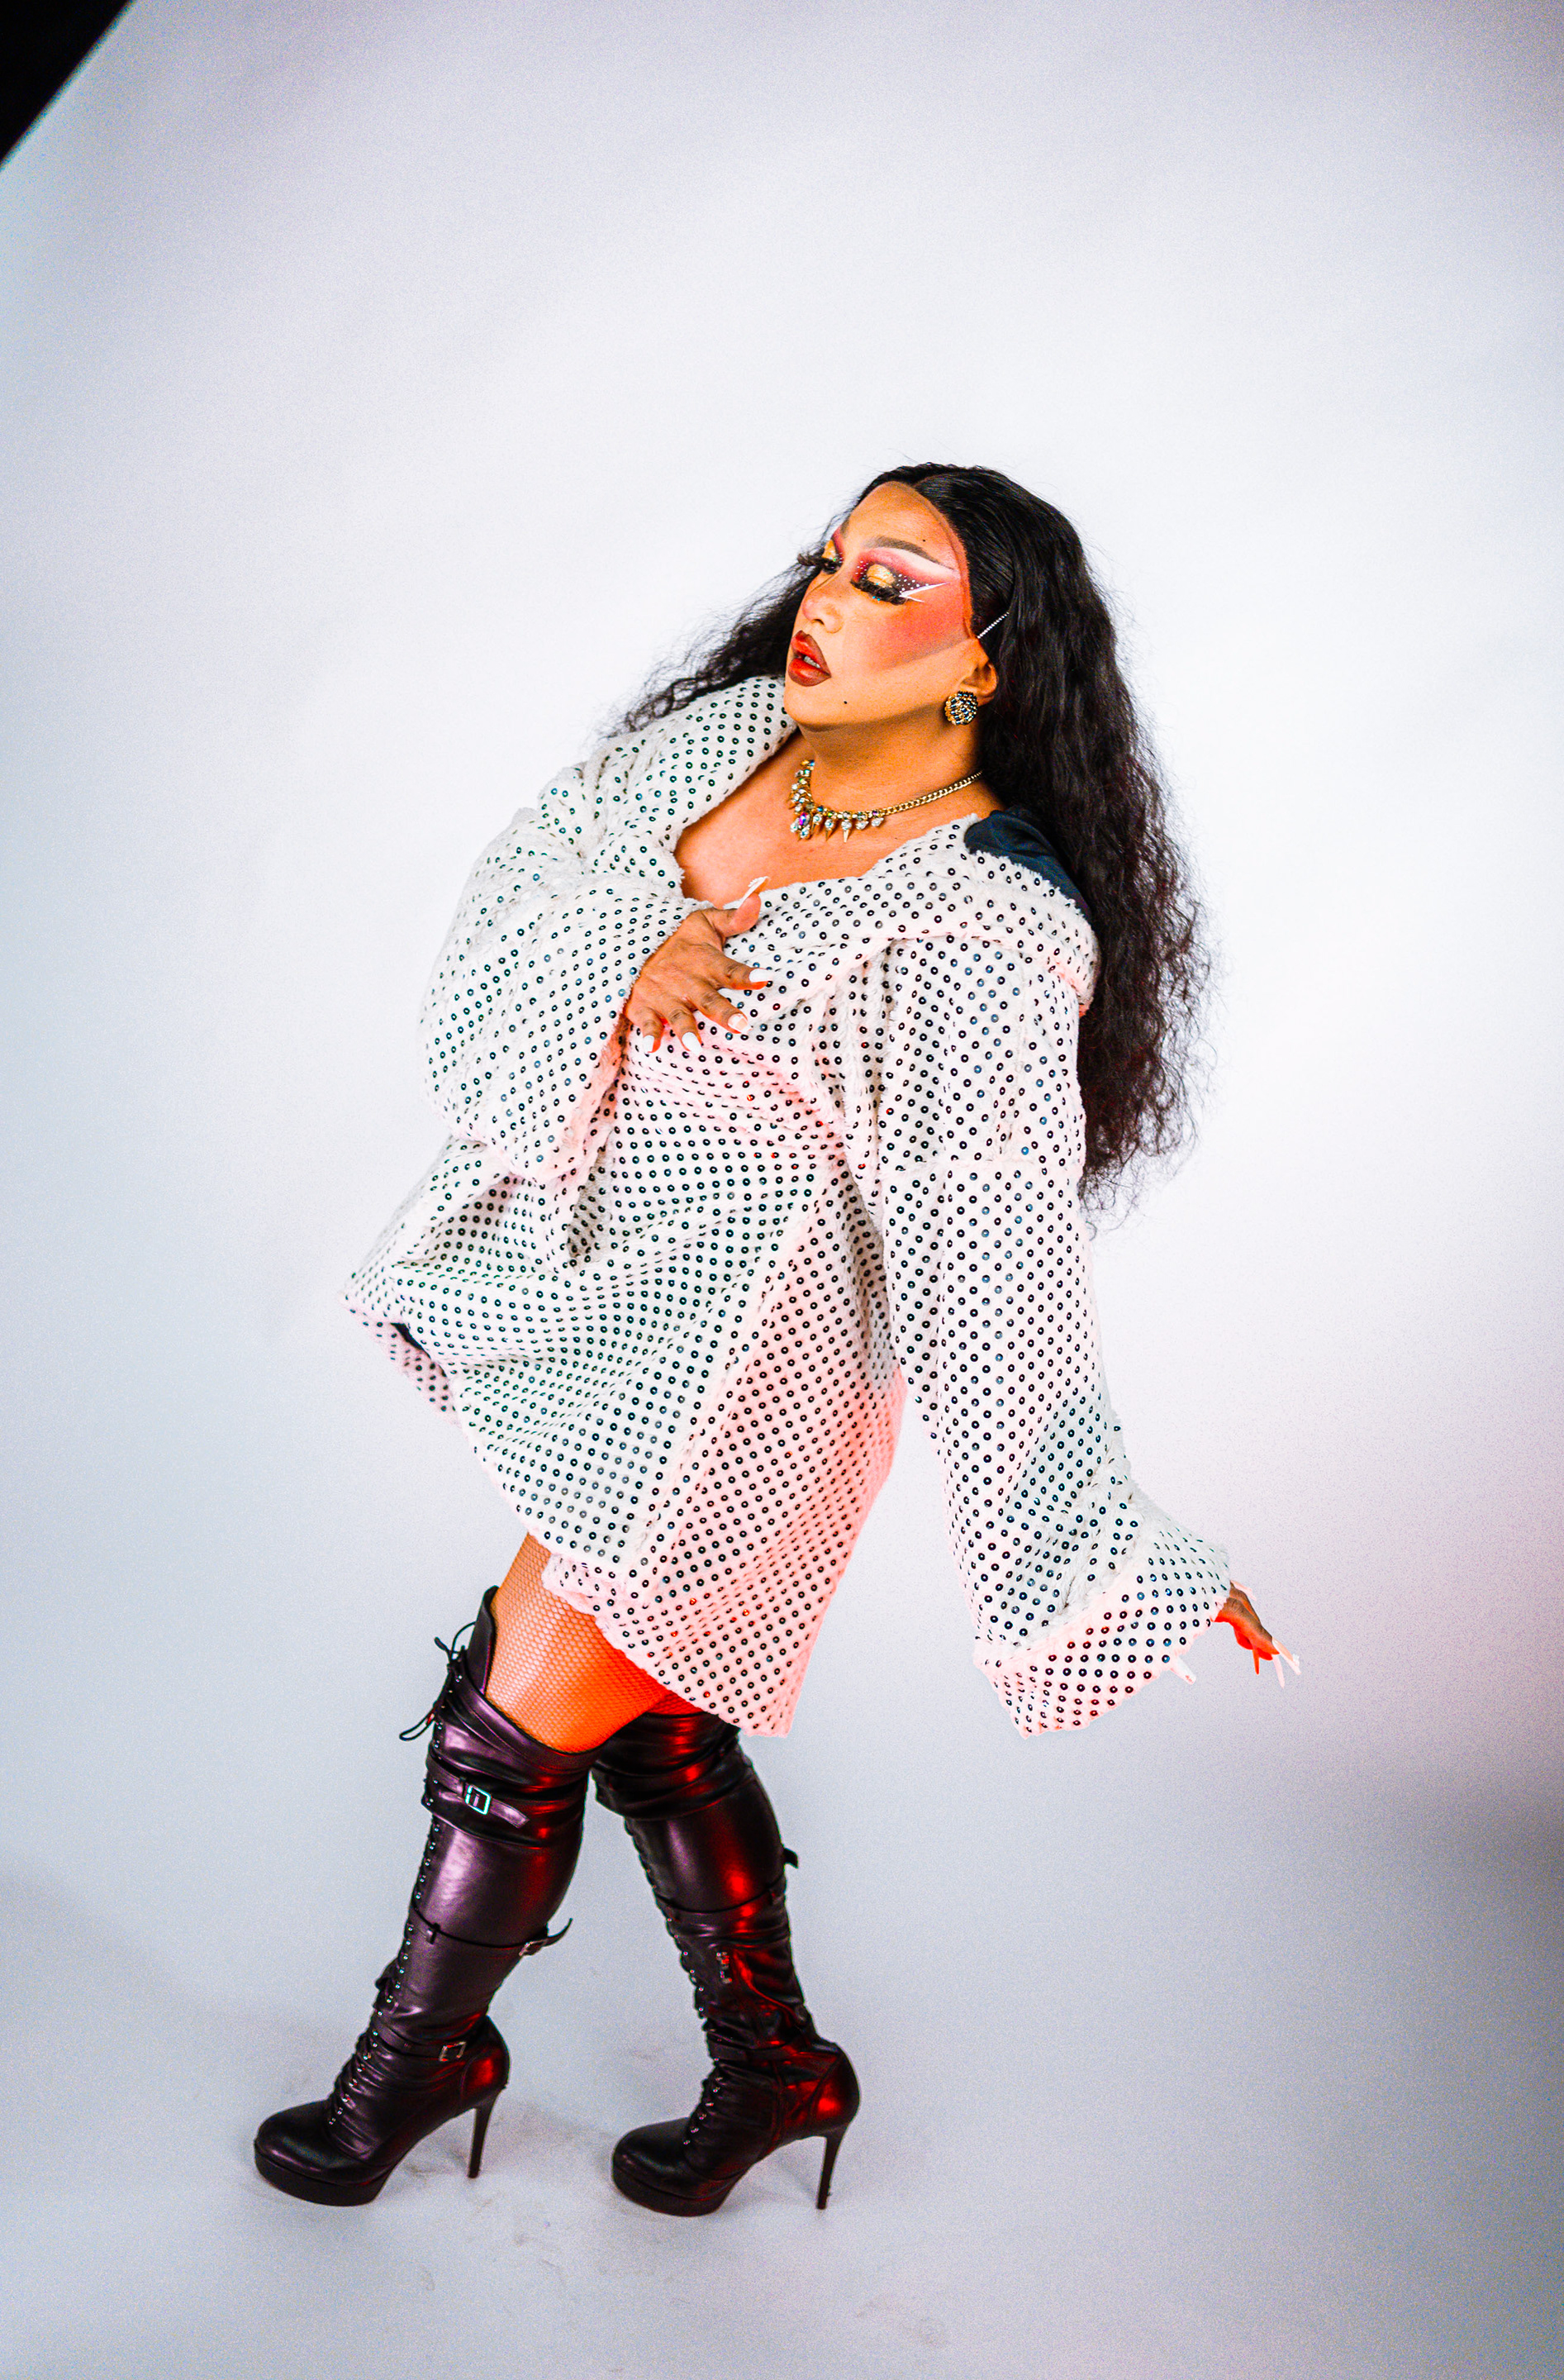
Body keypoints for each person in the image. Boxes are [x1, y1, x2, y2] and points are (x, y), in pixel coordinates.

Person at [253, 463, 1293, 2219]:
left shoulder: (985, 925)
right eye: (831, 560)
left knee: (513, 1720)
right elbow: (512, 898)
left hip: (746, 1391)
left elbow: (991, 1257)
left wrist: (1115, 1545)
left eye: (891, 581)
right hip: (601, 1319)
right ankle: (779, 2070)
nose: (826, 599)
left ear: (989, 658)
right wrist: (626, 952)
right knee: (653, 1715)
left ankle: (421, 2064)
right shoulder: (724, 743)